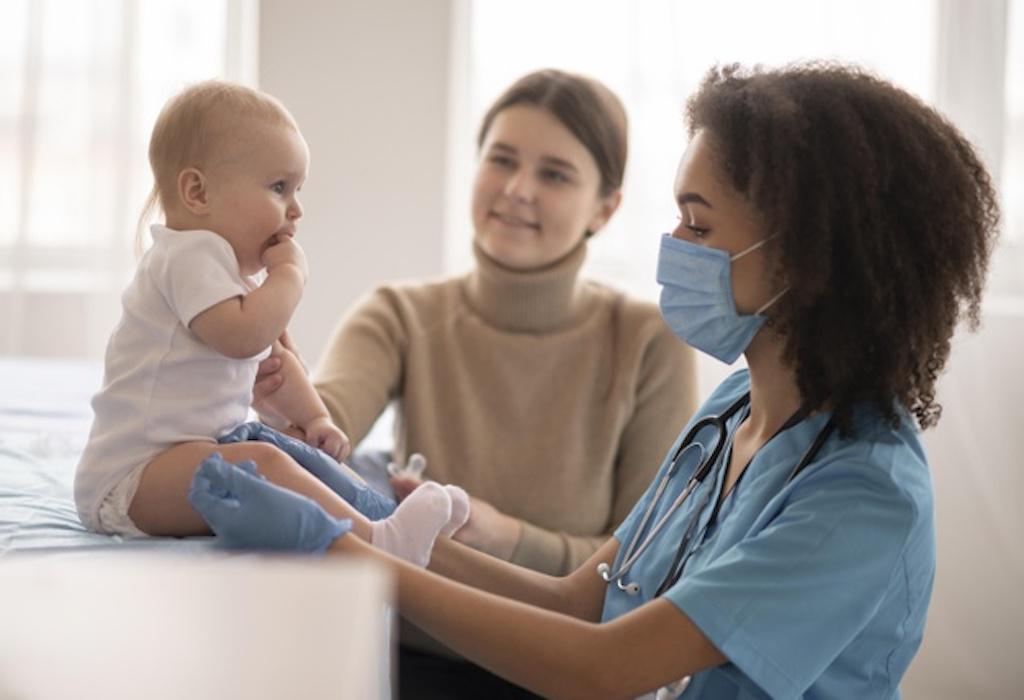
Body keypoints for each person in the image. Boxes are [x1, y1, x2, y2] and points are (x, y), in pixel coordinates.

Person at [190, 61, 999, 698]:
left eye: (698, 222)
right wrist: (361, 514)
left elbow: (603, 668)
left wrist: (344, 554)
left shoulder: (860, 494)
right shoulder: (738, 409)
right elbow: (585, 596)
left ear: (805, 257)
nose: (674, 242)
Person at [252, 69, 698, 696]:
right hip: (409, 659)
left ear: (606, 206)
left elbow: (641, 571)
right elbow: (321, 427)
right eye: (502, 160)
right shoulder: (401, 313)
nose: (517, 190)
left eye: (554, 174)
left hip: (562, 673)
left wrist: (503, 534)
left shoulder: (651, 343)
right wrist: (279, 394)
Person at [73, 80, 467, 568]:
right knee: (266, 463)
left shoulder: (234, 278)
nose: (296, 209)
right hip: (131, 482)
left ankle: (391, 517)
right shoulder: (185, 256)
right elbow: (244, 339)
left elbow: (276, 360)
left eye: (297, 190)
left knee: (289, 452)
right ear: (198, 191)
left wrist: (315, 417)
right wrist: (291, 276)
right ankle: (381, 540)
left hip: (190, 457)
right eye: (279, 188)